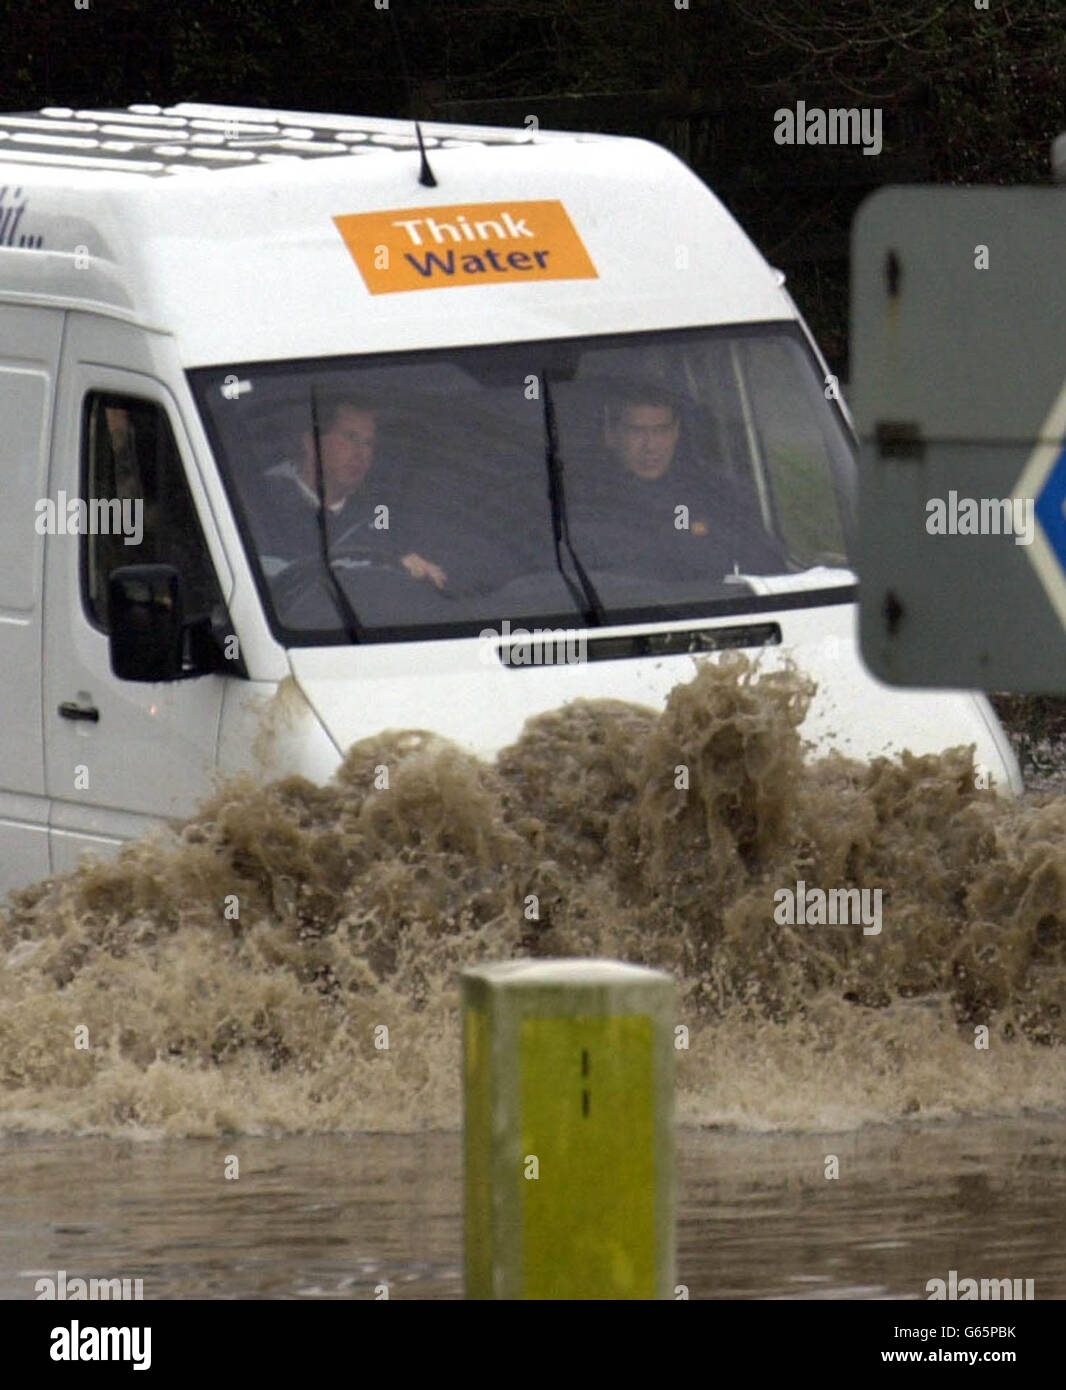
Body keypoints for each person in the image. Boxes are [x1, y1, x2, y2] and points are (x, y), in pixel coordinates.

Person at [568, 385, 786, 579]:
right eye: (637, 431)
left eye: (661, 431)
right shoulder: (582, 501)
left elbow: (768, 567)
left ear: (676, 432)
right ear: (611, 436)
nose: (651, 446)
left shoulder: (716, 494)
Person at [247, 396, 448, 588]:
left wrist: (408, 566)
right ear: (311, 443)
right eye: (350, 438)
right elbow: (262, 573)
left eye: (368, 443)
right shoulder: (260, 500)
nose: (361, 454)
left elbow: (393, 552)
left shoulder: (379, 511)